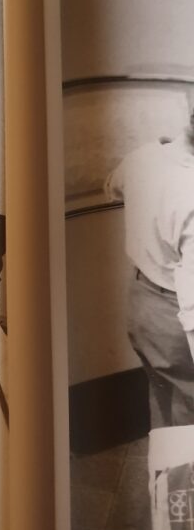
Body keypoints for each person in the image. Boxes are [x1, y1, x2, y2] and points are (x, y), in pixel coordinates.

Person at [105, 110, 194, 428]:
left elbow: (111, 187)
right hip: (174, 317)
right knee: (190, 412)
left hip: (140, 302)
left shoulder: (143, 156)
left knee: (161, 393)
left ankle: (162, 460)